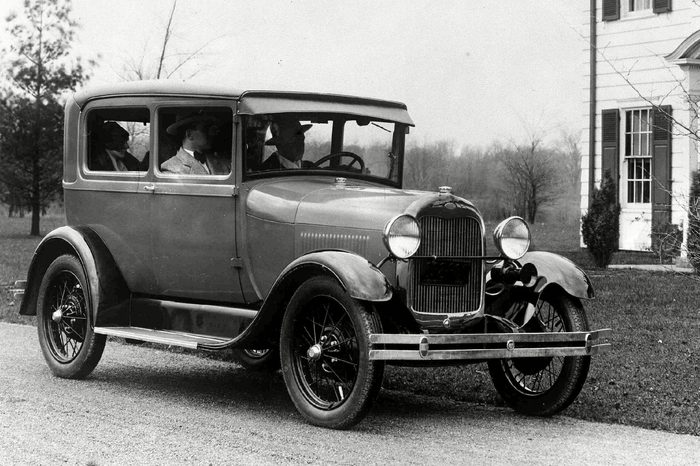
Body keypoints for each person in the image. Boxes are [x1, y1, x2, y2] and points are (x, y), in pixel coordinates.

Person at [160, 111, 230, 175]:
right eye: (205, 129)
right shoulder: (171, 168)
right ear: (189, 134)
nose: (212, 133)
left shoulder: (223, 163)